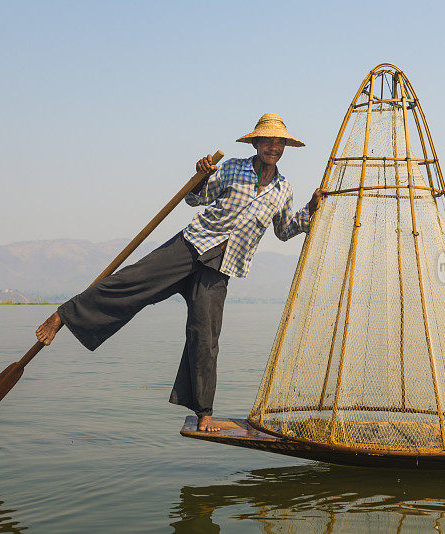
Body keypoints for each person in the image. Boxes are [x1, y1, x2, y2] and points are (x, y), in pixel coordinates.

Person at [36, 113, 324, 432]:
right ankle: (63, 315)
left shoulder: (284, 189)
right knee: (133, 282)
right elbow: (194, 199)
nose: (273, 146)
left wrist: (310, 210)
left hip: (222, 265)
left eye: (279, 142)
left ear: (285, 147)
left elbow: (284, 231)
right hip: (190, 246)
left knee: (205, 335)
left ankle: (204, 412)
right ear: (255, 143)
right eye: (267, 140)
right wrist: (200, 177)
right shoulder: (231, 169)